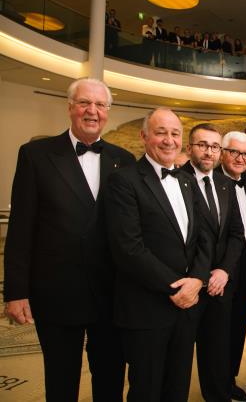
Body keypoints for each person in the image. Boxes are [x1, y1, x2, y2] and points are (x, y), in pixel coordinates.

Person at [3, 78, 133, 402]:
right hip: (57, 292)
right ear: (70, 107)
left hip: (110, 294)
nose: (92, 111)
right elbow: (21, 227)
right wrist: (16, 292)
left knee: (110, 379)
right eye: (84, 103)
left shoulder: (125, 160)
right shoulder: (35, 155)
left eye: (100, 105)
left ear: (107, 112)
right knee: (61, 383)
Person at [104, 108, 212, 401]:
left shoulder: (187, 181)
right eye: (160, 132)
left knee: (177, 389)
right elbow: (128, 248)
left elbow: (203, 239)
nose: (168, 140)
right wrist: (176, 286)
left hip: (186, 307)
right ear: (144, 136)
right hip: (146, 309)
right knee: (146, 390)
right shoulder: (124, 181)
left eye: (175, 133)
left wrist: (198, 281)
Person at [181, 124, 246, 402]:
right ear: (189, 148)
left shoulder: (225, 183)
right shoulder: (176, 179)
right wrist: (202, 276)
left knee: (217, 354)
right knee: (180, 356)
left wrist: (224, 270)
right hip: (187, 284)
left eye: (214, 146)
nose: (209, 151)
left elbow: (236, 233)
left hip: (221, 285)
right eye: (202, 145)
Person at [217, 132, 246, 401]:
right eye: (234, 152)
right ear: (222, 152)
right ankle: (217, 384)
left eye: (245, 154)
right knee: (218, 332)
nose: (240, 158)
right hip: (220, 271)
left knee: (237, 328)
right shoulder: (211, 182)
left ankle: (229, 378)